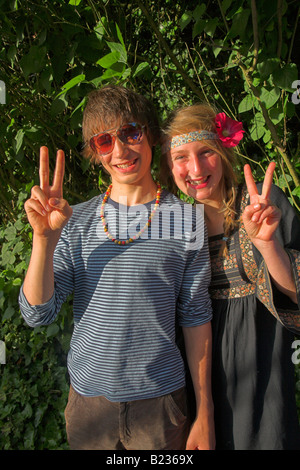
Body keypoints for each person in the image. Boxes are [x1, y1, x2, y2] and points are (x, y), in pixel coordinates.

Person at [18, 85, 215, 450]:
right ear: (95, 152)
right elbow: (37, 314)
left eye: (130, 132)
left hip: (160, 405)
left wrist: (205, 414)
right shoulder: (73, 221)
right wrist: (43, 240)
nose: (121, 151)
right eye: (104, 141)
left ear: (151, 135)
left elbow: (195, 317)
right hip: (90, 406)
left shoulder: (187, 219)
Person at [161, 102, 300, 450]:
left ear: (223, 153)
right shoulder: (171, 224)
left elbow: (296, 298)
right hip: (195, 386)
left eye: (206, 152)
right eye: (181, 157)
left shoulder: (264, 205)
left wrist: (267, 246)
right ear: (167, 164)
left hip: (263, 385)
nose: (195, 168)